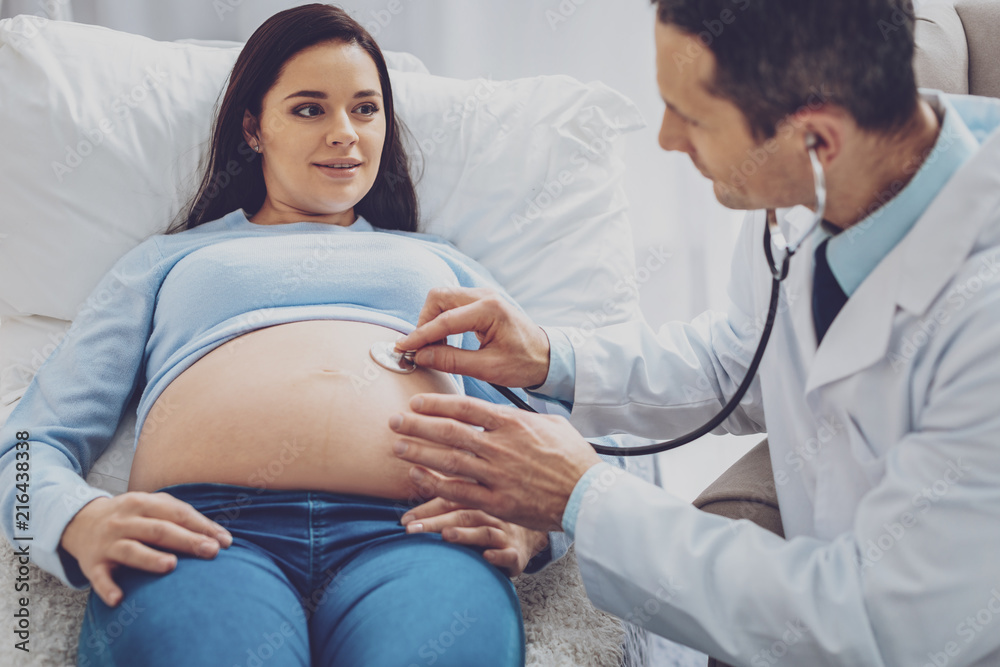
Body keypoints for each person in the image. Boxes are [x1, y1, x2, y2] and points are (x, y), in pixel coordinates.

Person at [0, 4, 622, 665]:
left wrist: (529, 528)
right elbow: (30, 443)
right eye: (308, 109)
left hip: (419, 538)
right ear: (252, 128)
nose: (344, 134)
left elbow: (548, 435)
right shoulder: (166, 260)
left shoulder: (442, 261)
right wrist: (78, 520)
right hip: (202, 534)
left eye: (365, 109)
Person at [385, 0, 1000, 665]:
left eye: (694, 116)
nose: (666, 140)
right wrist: (550, 358)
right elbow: (739, 362)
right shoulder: (813, 189)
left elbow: (877, 625)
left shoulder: (981, 323)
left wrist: (583, 497)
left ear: (817, 139)